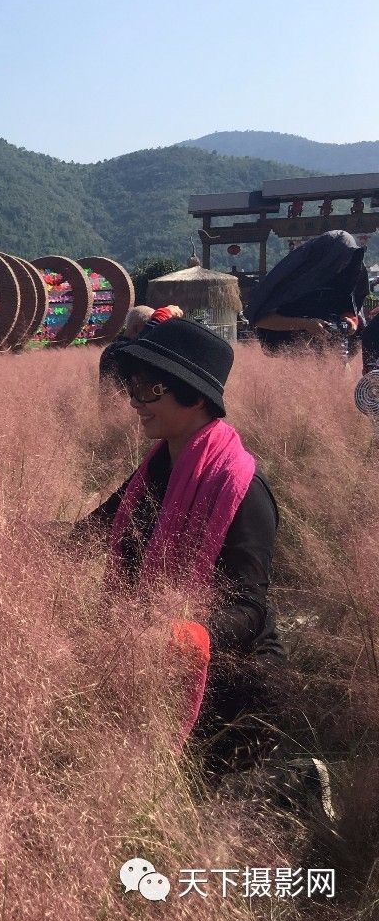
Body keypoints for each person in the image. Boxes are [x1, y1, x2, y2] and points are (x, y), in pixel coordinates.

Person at [79, 318, 285, 777]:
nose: (135, 402)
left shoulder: (243, 489)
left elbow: (248, 608)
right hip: (152, 660)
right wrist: (7, 531)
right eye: (132, 387)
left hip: (227, 685)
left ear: (194, 397)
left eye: (150, 389)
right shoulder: (154, 471)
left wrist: (182, 635)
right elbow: (90, 534)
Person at [246, 230, 369, 354]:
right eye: (336, 262)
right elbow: (261, 320)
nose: (341, 267)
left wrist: (350, 321)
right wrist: (305, 324)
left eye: (345, 262)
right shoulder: (293, 277)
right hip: (288, 350)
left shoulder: (349, 274)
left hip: (332, 350)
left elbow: (353, 307)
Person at [98, 304, 179, 385]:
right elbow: (134, 347)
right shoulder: (114, 350)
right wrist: (160, 316)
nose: (152, 335)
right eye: (151, 331)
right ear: (136, 329)